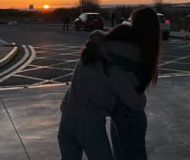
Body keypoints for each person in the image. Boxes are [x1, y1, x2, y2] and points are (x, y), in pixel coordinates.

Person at [57, 32, 146, 160]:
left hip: (66, 120)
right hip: (90, 125)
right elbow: (136, 104)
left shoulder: (84, 61)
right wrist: (136, 84)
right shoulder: (111, 69)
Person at [89, 6, 161, 160]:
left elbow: (106, 51)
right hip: (127, 115)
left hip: (126, 116)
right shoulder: (146, 51)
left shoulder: (130, 52)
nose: (128, 23)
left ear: (138, 26)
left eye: (131, 20)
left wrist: (98, 38)